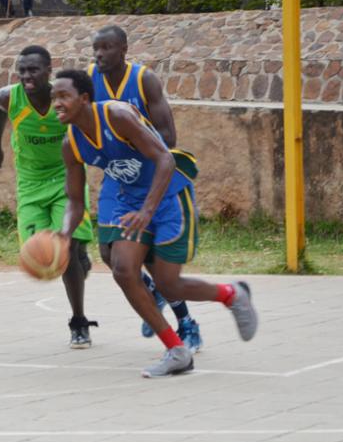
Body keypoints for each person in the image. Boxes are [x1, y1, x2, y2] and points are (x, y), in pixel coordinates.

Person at [52, 69, 258, 378]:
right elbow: (75, 201)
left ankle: (232, 294)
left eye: (63, 96)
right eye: (54, 97)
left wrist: (147, 212)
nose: (57, 103)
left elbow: (165, 159)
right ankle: (176, 350)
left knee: (169, 284)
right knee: (122, 269)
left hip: (168, 194)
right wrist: (64, 234)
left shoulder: (117, 116)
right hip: (129, 200)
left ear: (84, 98)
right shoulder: (71, 144)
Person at [88, 25, 202, 353]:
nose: (99, 54)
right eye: (96, 48)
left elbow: (169, 137)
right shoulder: (90, 81)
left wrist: (132, 139)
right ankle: (151, 292)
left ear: (123, 49)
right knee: (110, 254)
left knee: (148, 256)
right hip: (117, 177)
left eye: (107, 47)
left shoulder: (144, 81)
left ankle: (187, 324)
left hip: (151, 178)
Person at [0, 46, 96, 348]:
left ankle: (79, 321)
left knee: (68, 248)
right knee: (38, 252)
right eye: (22, 70)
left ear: (49, 69)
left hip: (66, 177)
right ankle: (77, 258)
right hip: (31, 182)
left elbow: (89, 122)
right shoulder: (8, 97)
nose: (26, 76)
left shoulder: (63, 99)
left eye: (33, 70)